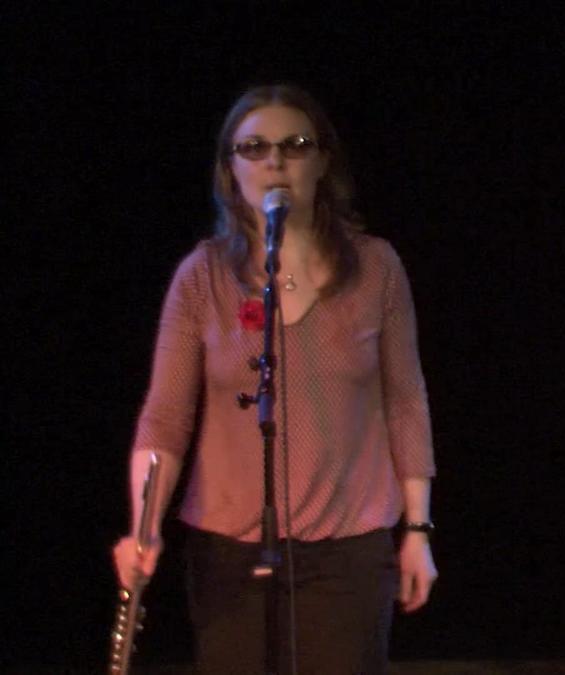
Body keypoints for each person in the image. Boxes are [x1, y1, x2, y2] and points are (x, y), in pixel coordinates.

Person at [110, 84, 438, 674]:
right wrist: (144, 526)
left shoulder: (377, 268)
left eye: (296, 144)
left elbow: (406, 402)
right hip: (228, 551)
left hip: (348, 548)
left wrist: (418, 530)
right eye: (254, 147)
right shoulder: (202, 277)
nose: (275, 161)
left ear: (323, 160)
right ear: (230, 168)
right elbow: (165, 417)